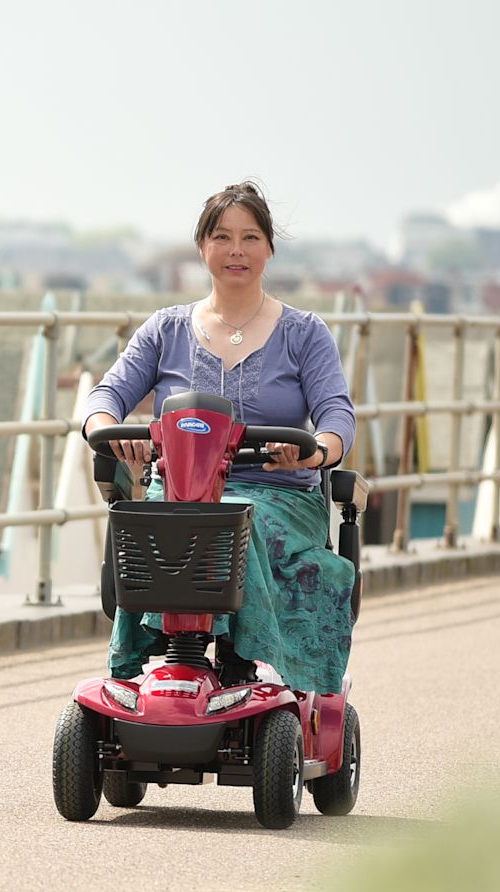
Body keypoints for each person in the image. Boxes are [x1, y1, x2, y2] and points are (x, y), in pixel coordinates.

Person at [81, 182, 357, 694]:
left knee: (232, 518)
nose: (236, 251)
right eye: (223, 237)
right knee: (166, 516)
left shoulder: (305, 333)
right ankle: (156, 664)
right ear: (202, 246)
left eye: (250, 237)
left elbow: (337, 416)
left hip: (280, 494)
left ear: (269, 249)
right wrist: (111, 437)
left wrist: (316, 450)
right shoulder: (165, 330)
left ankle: (240, 661)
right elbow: (104, 400)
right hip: (182, 487)